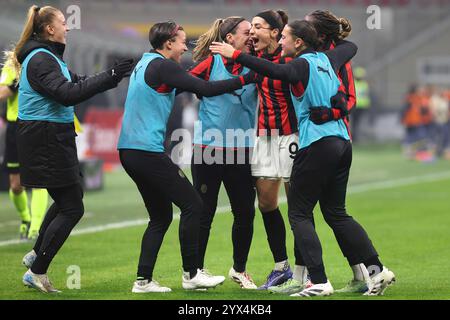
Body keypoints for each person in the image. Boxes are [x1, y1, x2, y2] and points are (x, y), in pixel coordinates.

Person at [210, 19, 395, 297]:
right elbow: (350, 46)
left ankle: (318, 282)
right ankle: (377, 270)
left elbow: (270, 69)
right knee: (336, 212)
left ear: (299, 43)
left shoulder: (299, 65)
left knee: (298, 213)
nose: (280, 41)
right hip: (342, 142)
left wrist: (236, 54)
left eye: (284, 37)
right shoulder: (329, 58)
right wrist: (334, 30)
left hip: (317, 143)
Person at [117, 21, 257, 293]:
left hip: (129, 150)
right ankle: (192, 274)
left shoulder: (146, 64)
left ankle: (143, 281)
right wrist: (244, 79)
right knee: (194, 204)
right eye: (182, 42)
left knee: (160, 217)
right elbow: (203, 89)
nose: (185, 48)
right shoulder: (165, 65)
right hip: (147, 151)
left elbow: (182, 85)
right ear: (168, 43)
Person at [15, 5, 134, 293]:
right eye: (63, 23)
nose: (68, 27)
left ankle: (36, 253)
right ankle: (37, 270)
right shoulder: (41, 60)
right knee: (72, 206)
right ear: (49, 30)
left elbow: (78, 82)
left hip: (52, 136)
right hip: (44, 137)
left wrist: (113, 74)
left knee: (69, 197)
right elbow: (68, 95)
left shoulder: (50, 58)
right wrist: (112, 75)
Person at [189, 17, 258, 289]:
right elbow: (190, 83)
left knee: (245, 213)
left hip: (241, 149)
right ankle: (196, 271)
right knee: (204, 212)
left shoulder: (256, 65)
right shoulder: (211, 63)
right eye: (246, 32)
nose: (251, 36)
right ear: (229, 38)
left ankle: (239, 269)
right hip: (209, 148)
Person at [0, 53, 49, 240]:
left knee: (38, 180)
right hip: (15, 126)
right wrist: (18, 83)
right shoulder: (12, 64)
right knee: (16, 186)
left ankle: (36, 228)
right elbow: (2, 93)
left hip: (36, 124)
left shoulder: (44, 61)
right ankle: (25, 219)